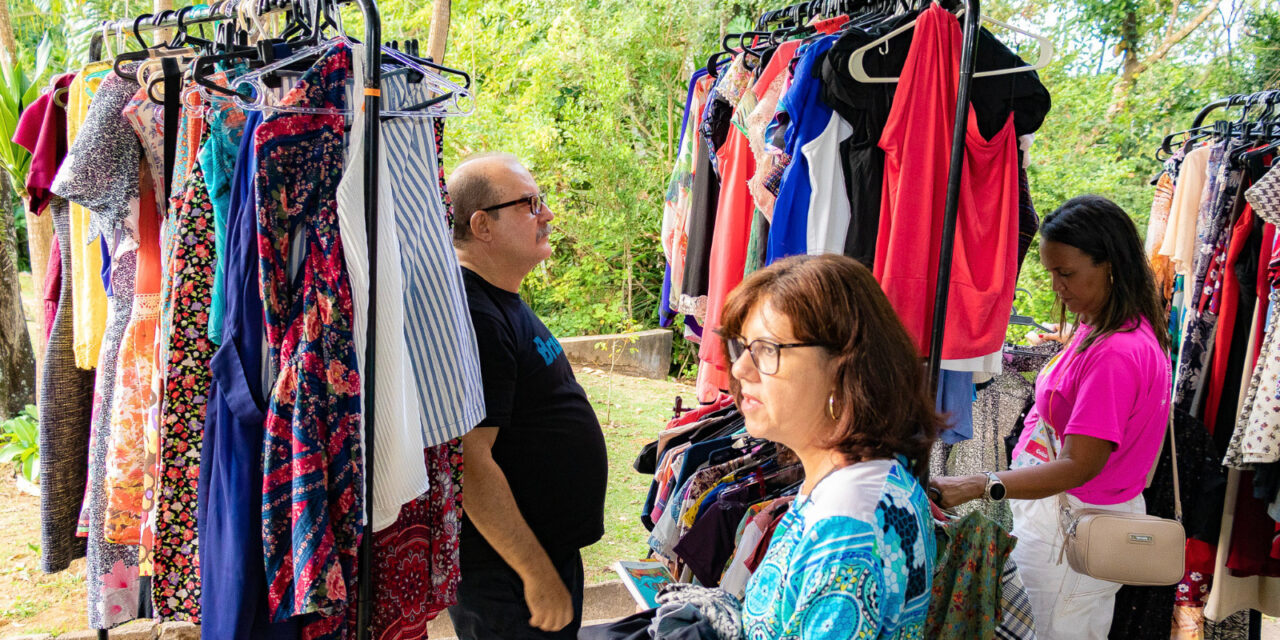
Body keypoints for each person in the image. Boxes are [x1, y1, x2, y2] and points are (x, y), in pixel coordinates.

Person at [930, 195, 1173, 639]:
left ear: (1111, 266)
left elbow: (1080, 465)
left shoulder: (1115, 353)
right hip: (1065, 520)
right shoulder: (1104, 328)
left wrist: (977, 484)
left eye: (1067, 273)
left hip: (1073, 528)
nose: (1057, 286)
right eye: (1051, 273)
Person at [721, 254, 941, 637]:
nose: (741, 369)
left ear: (844, 368)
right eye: (742, 347)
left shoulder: (846, 528)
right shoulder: (854, 477)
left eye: (766, 350)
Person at [447, 152, 608, 639]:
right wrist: (536, 575)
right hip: (508, 578)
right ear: (483, 225)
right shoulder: (475, 316)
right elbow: (471, 464)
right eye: (529, 204)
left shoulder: (498, 300)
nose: (548, 215)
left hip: (535, 560)